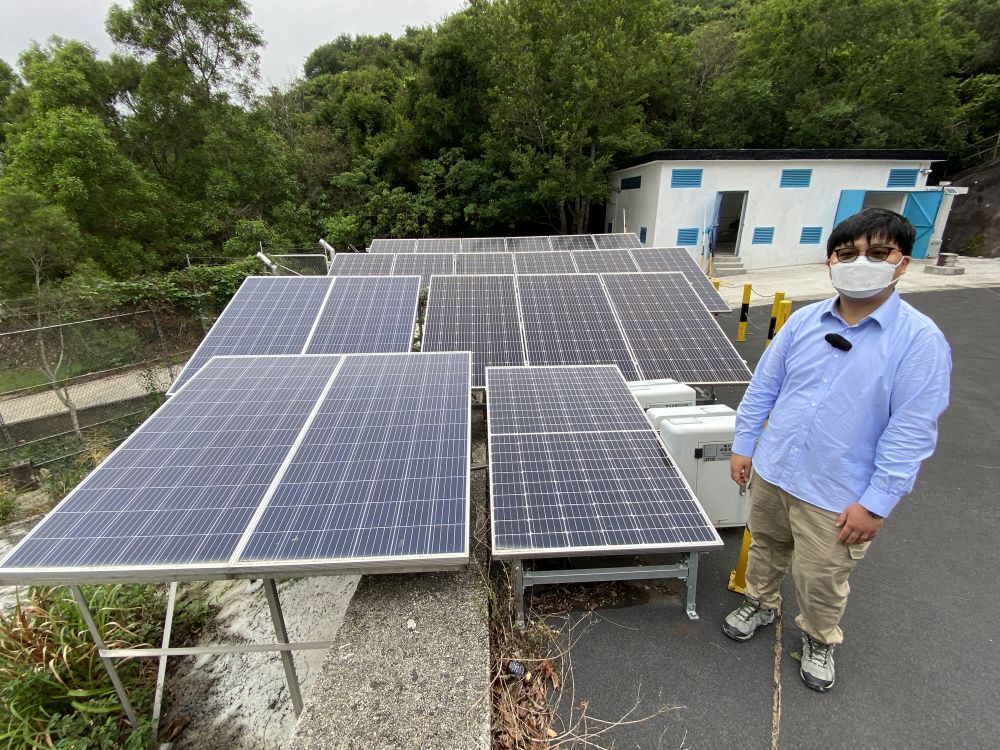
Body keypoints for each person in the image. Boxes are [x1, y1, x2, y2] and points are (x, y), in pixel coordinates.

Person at [722, 207, 952, 693]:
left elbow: (911, 431)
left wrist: (876, 503)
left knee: (822, 576)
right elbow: (764, 386)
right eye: (848, 253)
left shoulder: (919, 342)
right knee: (764, 546)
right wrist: (745, 445)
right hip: (774, 468)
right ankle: (760, 603)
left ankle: (819, 637)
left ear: (902, 262)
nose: (860, 261)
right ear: (831, 261)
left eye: (877, 252)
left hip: (836, 491)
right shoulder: (805, 321)